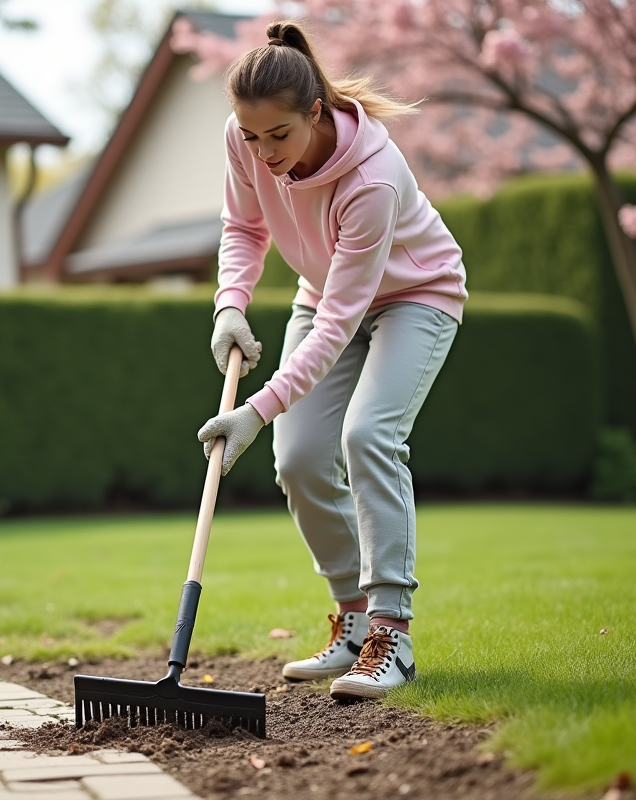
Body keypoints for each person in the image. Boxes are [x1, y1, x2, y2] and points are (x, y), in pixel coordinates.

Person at [196, 19, 467, 702]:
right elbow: (244, 225)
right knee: (299, 458)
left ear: (315, 113)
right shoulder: (244, 140)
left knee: (369, 435)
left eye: (278, 136)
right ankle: (352, 621)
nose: (263, 152)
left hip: (414, 297)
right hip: (324, 295)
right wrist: (230, 306)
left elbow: (340, 324)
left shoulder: (372, 178)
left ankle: (391, 635)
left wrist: (255, 410)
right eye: (251, 136)